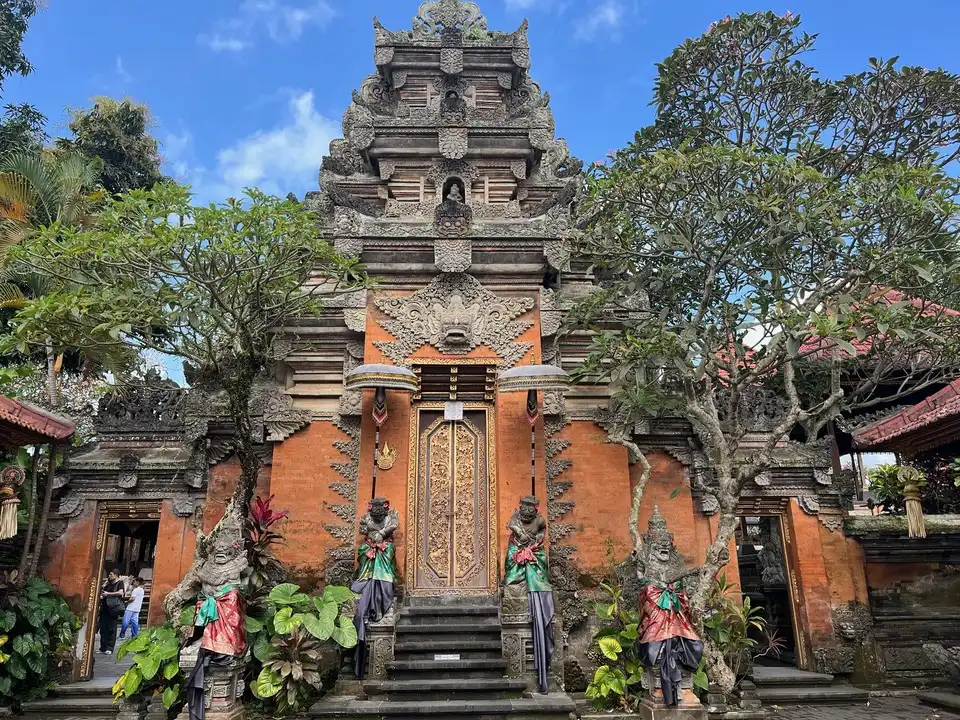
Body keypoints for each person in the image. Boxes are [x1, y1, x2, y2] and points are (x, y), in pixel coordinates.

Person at [98, 569, 125, 654]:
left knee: (111, 629)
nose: (109, 576)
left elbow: (121, 593)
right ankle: (103, 647)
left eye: (111, 574)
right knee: (103, 628)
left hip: (113, 609)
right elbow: (103, 592)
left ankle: (109, 648)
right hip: (104, 608)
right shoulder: (108, 583)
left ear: (116, 575)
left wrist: (108, 594)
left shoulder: (120, 583)